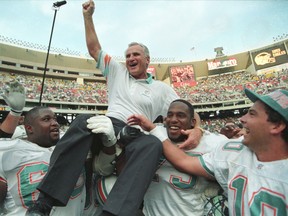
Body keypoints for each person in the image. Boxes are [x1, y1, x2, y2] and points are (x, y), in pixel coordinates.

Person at [26, 1, 203, 216]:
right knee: (82, 121)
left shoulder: (162, 89)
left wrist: (198, 129)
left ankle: (113, 212)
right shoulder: (117, 72)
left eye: (136, 54)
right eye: (128, 55)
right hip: (110, 122)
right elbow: (94, 49)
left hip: (136, 133)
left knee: (152, 145)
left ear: (147, 60)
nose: (130, 58)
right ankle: (44, 203)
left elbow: (188, 111)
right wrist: (87, 17)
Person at [132, 88, 288, 215]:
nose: (242, 119)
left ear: (276, 126)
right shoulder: (233, 150)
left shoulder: (214, 142)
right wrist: (154, 131)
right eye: (170, 115)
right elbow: (184, 161)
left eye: (252, 114)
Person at [0, 107, 86, 215]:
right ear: (29, 128)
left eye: (55, 119)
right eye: (46, 119)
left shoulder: (72, 147)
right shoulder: (9, 150)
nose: (55, 123)